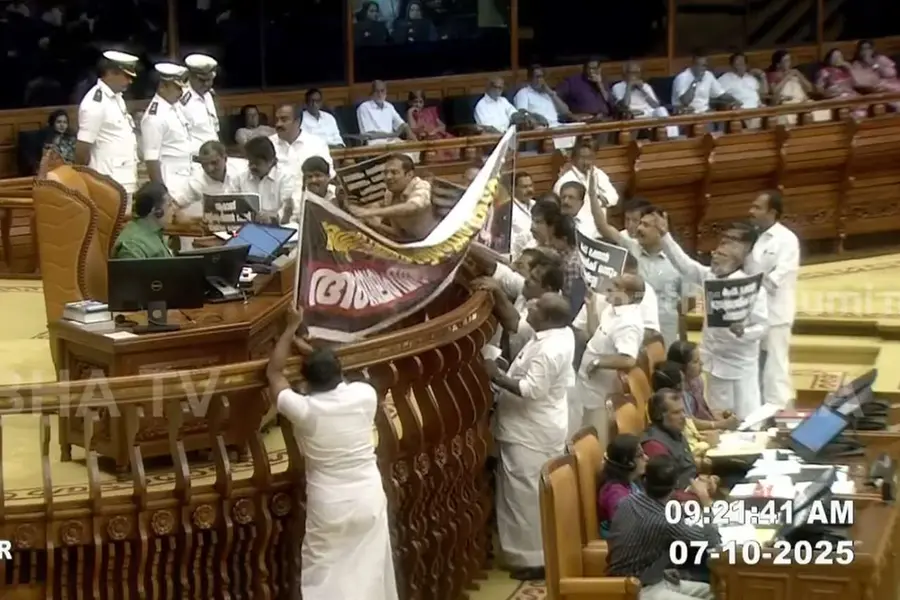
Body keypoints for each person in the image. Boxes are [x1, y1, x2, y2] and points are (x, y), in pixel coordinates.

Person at [265, 306, 399, 600]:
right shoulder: (364, 395)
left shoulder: (305, 410)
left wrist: (289, 329)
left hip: (330, 504)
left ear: (307, 383)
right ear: (340, 373)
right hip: (368, 496)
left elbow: (273, 372)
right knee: (369, 569)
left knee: (325, 575)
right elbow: (331, 373)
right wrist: (306, 347)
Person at [484, 292, 575, 581]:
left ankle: (533, 560)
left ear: (547, 318)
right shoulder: (556, 333)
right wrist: (498, 294)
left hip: (529, 432)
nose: (529, 307)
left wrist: (494, 375)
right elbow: (516, 321)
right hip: (532, 427)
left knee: (524, 498)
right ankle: (533, 553)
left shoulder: (550, 349)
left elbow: (530, 390)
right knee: (526, 496)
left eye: (534, 307)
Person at [654, 214, 769, 419]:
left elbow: (762, 327)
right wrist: (665, 236)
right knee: (718, 415)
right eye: (715, 254)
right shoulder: (710, 278)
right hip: (714, 363)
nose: (714, 258)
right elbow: (685, 265)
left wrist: (743, 332)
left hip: (741, 367)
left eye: (721, 256)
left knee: (746, 419)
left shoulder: (752, 288)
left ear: (735, 262)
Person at [607, 454, 719, 600]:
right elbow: (711, 539)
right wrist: (706, 501)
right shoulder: (665, 520)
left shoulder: (627, 502)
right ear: (675, 485)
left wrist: (661, 572)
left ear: (645, 480)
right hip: (637, 590)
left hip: (638, 580)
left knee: (714, 592)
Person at [588, 193, 684, 347]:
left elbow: (689, 303)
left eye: (645, 225)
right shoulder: (631, 248)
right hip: (630, 333)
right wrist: (592, 193)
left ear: (662, 230)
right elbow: (603, 226)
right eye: (641, 223)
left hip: (664, 337)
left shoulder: (679, 262)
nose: (638, 228)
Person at [571, 274, 644, 445]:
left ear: (631, 295)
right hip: (586, 385)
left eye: (617, 286)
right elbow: (594, 333)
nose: (609, 288)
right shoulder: (612, 310)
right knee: (581, 430)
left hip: (601, 392)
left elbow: (628, 359)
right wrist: (590, 308)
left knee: (596, 436)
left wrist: (598, 363)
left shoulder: (629, 323)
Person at [746, 190, 799, 408]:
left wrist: (750, 272)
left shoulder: (786, 240)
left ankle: (780, 412)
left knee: (775, 367)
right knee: (753, 366)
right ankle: (756, 409)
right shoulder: (753, 237)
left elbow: (774, 280)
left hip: (776, 313)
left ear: (773, 212)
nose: (751, 211)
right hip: (753, 314)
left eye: (757, 207)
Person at [471, 247, 565, 360]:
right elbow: (496, 269)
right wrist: (465, 246)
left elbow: (514, 325)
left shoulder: (547, 313)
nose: (526, 280)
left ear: (547, 289)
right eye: (530, 275)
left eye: (534, 279)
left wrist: (497, 291)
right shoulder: (530, 288)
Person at [75, 50, 140, 211]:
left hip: (124, 178)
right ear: (111, 73)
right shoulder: (95, 103)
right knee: (111, 232)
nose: (130, 81)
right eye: (126, 76)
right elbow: (82, 148)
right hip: (107, 181)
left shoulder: (117, 98)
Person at [651, 362, 738, 459]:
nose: (683, 416)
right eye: (677, 412)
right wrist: (708, 442)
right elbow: (684, 457)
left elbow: (692, 435)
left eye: (682, 411)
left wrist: (703, 436)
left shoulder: (679, 405)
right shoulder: (662, 436)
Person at [347, 154, 437, 241]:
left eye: (394, 172)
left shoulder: (422, 185)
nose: (388, 177)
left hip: (432, 243)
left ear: (409, 174)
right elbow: (401, 234)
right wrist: (375, 221)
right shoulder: (390, 193)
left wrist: (370, 212)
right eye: (386, 173)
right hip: (409, 242)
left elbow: (412, 206)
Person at [141, 62, 193, 206]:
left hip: (186, 179)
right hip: (171, 185)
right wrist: (161, 195)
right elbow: (151, 160)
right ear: (162, 87)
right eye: (176, 88)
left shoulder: (174, 107)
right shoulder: (155, 117)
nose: (181, 92)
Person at [552, 139, 619, 240]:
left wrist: (599, 201)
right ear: (574, 159)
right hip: (578, 231)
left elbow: (614, 197)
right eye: (583, 158)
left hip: (601, 228)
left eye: (590, 158)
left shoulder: (597, 173)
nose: (587, 162)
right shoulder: (564, 181)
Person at [235, 136, 301, 224]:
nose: (252, 167)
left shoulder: (286, 177)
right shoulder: (241, 177)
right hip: (248, 225)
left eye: (257, 163)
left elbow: (289, 209)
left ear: (271, 161)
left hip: (277, 227)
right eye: (250, 162)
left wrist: (273, 218)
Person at [177, 140, 248, 220]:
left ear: (225, 158)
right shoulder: (196, 181)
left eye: (214, 163)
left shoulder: (244, 169)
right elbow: (175, 204)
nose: (209, 169)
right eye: (204, 164)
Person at [597, 434, 647, 538]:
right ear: (628, 462)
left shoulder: (630, 483)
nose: (647, 458)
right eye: (640, 455)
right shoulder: (615, 494)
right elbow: (629, 528)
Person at [611, 62, 679, 139]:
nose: (635, 76)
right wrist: (629, 88)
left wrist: (642, 90)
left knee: (662, 110)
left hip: (649, 113)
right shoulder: (618, 87)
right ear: (624, 74)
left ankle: (673, 137)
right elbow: (625, 105)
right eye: (632, 73)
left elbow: (656, 105)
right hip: (633, 115)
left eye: (637, 73)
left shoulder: (646, 86)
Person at [270, 103, 335, 178]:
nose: (278, 124)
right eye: (277, 120)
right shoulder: (267, 144)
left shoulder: (316, 144)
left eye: (284, 120)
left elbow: (328, 173)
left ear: (297, 121)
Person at [111, 182, 173, 259]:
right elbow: (130, 270)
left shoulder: (155, 232)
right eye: (169, 205)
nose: (173, 210)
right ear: (157, 211)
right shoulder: (133, 245)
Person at [672, 51, 739, 114]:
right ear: (693, 65)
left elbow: (721, 94)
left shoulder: (708, 75)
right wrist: (695, 81)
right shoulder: (682, 78)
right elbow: (685, 101)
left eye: (704, 65)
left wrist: (735, 100)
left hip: (705, 113)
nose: (702, 68)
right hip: (686, 114)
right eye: (699, 65)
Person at [766, 49, 821, 125]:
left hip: (803, 102)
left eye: (789, 60)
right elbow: (774, 92)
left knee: (822, 112)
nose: (789, 63)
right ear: (778, 64)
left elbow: (810, 89)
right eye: (786, 61)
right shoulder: (773, 75)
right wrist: (787, 77)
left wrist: (798, 74)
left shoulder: (795, 73)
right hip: (788, 105)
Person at [667, 340, 718, 422]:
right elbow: (688, 421)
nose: (701, 363)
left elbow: (701, 411)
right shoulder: (676, 389)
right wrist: (717, 425)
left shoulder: (697, 381)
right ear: (682, 366)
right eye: (695, 361)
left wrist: (717, 415)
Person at [182, 53, 221, 153]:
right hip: (195, 158)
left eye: (210, 80)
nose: (207, 84)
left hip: (214, 154)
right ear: (190, 76)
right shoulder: (182, 100)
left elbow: (214, 128)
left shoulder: (208, 95)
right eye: (202, 80)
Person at [816, 48, 868, 119]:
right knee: (846, 110)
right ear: (829, 59)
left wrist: (850, 68)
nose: (837, 59)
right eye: (835, 57)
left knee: (864, 106)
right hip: (836, 96)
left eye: (839, 57)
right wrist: (827, 93)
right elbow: (818, 89)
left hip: (851, 94)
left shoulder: (846, 69)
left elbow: (857, 83)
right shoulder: (824, 71)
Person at [357, 81, 414, 145]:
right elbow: (369, 135)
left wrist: (413, 137)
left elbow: (402, 124)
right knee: (400, 153)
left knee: (415, 151)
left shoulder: (389, 106)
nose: (380, 94)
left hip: (392, 141)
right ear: (372, 93)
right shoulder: (364, 107)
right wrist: (393, 134)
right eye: (377, 91)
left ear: (386, 92)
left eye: (382, 91)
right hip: (375, 143)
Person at [406, 90, 456, 161]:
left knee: (452, 143)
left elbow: (442, 126)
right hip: (425, 138)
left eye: (420, 102)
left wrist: (435, 130)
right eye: (415, 102)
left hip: (437, 135)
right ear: (410, 103)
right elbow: (413, 129)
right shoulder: (411, 114)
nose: (418, 105)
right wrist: (410, 112)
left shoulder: (430, 111)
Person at [852, 39, 900, 109]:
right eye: (863, 49)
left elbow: (891, 73)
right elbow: (858, 82)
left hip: (892, 87)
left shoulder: (881, 59)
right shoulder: (857, 64)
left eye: (868, 48)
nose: (865, 51)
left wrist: (873, 64)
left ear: (872, 49)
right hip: (874, 91)